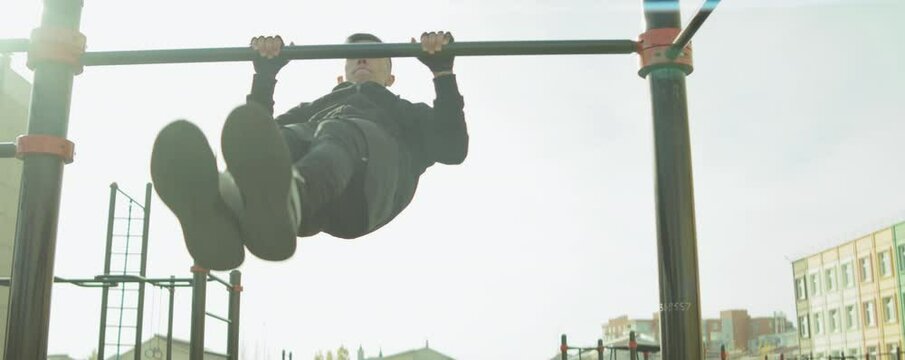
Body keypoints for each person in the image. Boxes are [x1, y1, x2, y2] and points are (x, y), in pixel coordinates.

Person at [150, 31, 468, 270]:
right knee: (286, 136)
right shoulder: (312, 109)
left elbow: (453, 148)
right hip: (320, 204)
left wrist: (442, 74)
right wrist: (265, 75)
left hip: (369, 194)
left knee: (338, 129)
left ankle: (293, 198)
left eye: (373, 54)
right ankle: (225, 210)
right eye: (354, 54)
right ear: (341, 74)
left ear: (390, 77)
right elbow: (257, 138)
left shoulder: (404, 112)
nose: (362, 58)